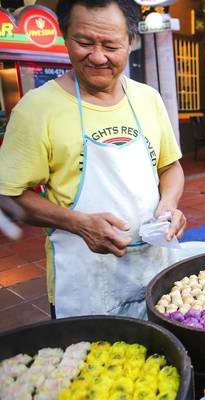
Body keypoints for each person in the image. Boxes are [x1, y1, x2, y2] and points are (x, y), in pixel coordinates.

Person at [0, 0, 186, 319]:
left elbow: (171, 167)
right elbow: (8, 194)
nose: (97, 57)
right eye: (84, 42)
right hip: (84, 281)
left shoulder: (148, 99)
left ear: (131, 41)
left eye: (111, 45)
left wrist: (168, 204)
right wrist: (80, 224)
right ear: (65, 35)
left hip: (152, 272)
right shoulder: (37, 108)